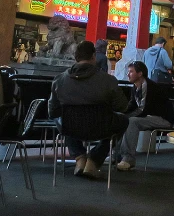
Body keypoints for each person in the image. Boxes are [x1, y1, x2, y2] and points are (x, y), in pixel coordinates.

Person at [48, 41, 128, 179]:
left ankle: (79, 157)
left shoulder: (59, 80)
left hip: (71, 128)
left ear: (75, 57)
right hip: (101, 128)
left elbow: (52, 111)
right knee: (123, 121)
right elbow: (122, 107)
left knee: (61, 116)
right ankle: (93, 161)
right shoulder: (108, 80)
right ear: (93, 56)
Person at [117, 61, 174, 171]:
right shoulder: (136, 86)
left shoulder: (149, 86)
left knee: (132, 121)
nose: (128, 74)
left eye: (131, 72)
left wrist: (126, 116)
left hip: (163, 118)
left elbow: (143, 110)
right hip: (150, 116)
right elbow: (132, 105)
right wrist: (122, 114)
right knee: (122, 119)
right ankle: (116, 155)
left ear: (140, 74)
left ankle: (128, 159)